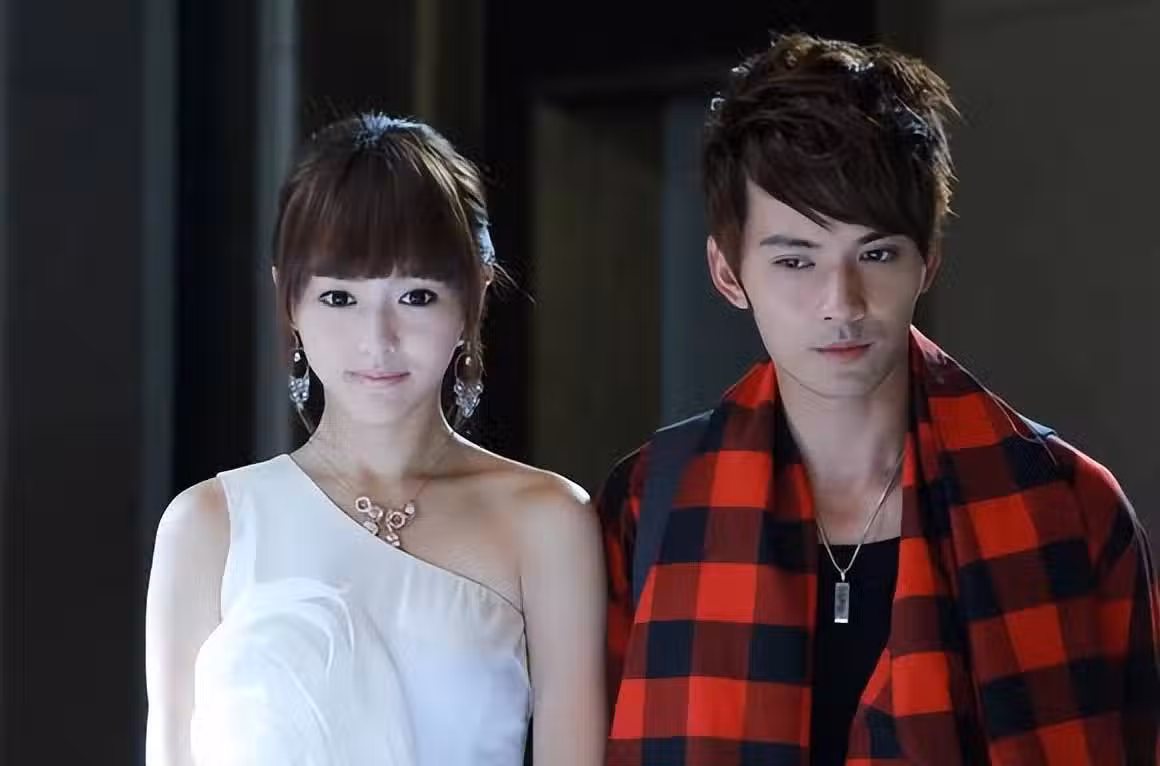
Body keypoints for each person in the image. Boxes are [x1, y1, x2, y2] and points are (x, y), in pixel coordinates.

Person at [598, 33, 1158, 765]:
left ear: (929, 260)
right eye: (795, 260)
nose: (842, 301)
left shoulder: (1068, 503)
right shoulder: (651, 503)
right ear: (728, 273)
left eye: (877, 253)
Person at [145, 114, 607, 766]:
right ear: (289, 301)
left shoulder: (546, 520)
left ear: (474, 294)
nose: (377, 340)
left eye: (416, 296)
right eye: (340, 298)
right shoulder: (208, 525)